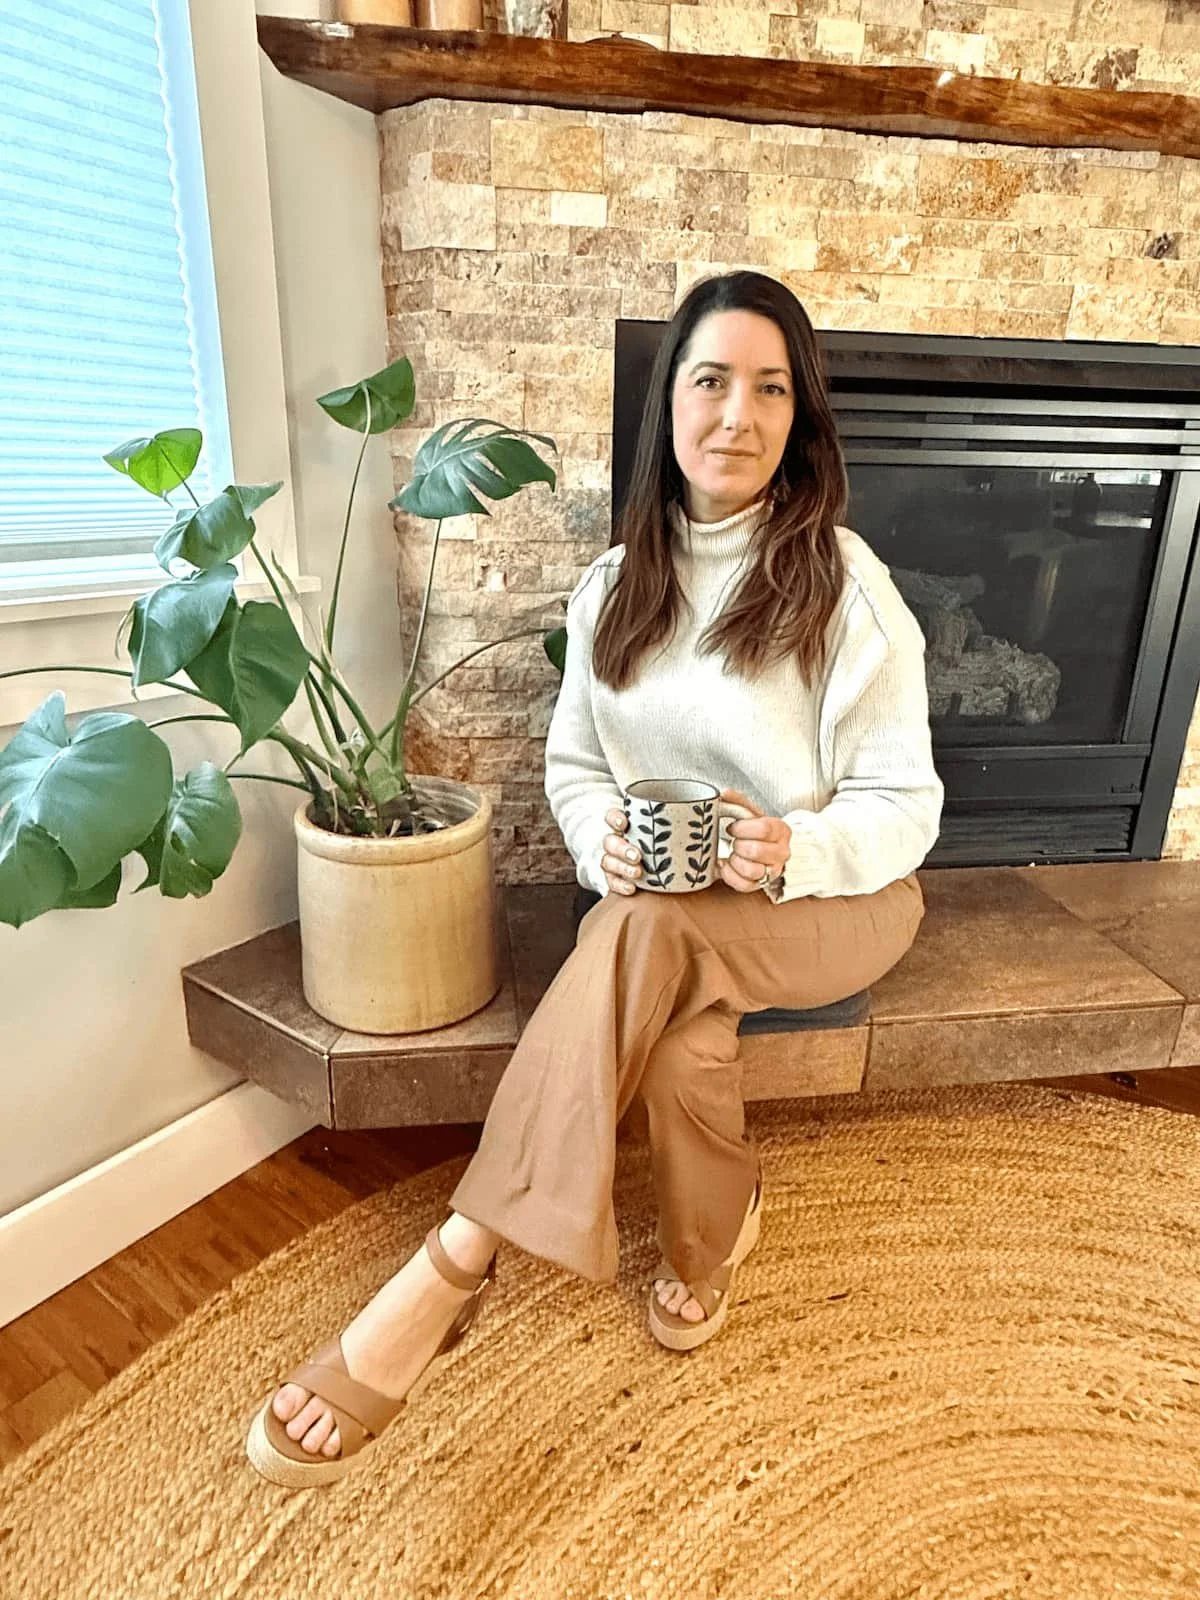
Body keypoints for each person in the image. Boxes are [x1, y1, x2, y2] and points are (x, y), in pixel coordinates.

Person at [246, 269, 944, 1488]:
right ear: (668, 407)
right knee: (672, 1011)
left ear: (801, 417)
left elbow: (909, 804)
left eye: (770, 388)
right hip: (671, 912)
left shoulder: (845, 582)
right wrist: (597, 842)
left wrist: (796, 847)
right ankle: (708, 1235)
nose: (738, 414)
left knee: (641, 938)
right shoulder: (617, 585)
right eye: (712, 380)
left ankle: (455, 1261)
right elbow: (574, 765)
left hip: (840, 899)